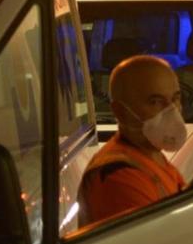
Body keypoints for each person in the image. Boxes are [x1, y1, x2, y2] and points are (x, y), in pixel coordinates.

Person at [80, 55, 187, 225]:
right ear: (120, 111)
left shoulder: (151, 156)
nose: (171, 110)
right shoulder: (119, 177)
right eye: (155, 101)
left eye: (175, 98)